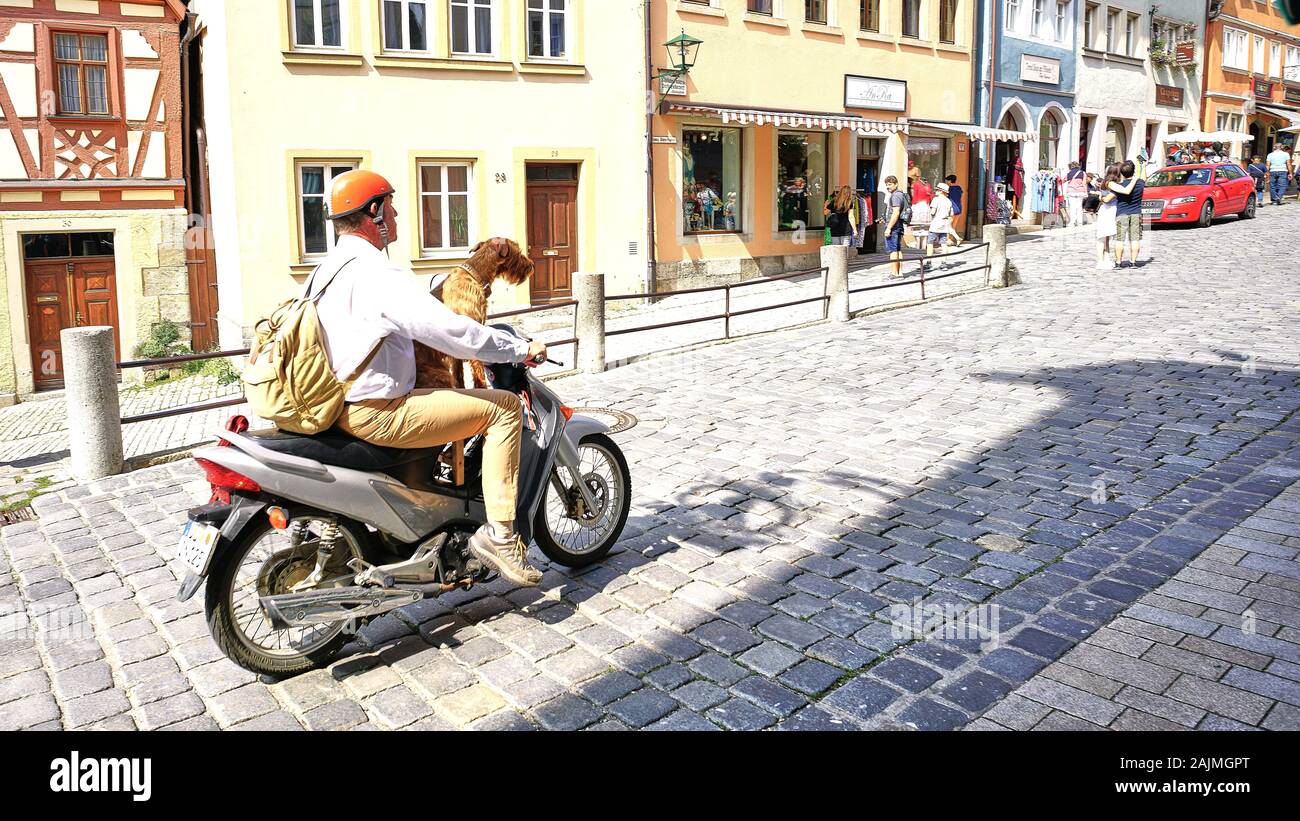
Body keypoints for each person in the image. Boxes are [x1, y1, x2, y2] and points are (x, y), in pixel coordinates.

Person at [311, 170, 548, 587]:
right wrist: (519, 349)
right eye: (392, 205)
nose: (399, 213)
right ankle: (501, 535)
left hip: (337, 404)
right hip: (379, 411)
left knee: (444, 395)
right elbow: (454, 333)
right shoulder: (377, 273)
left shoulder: (326, 270)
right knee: (506, 409)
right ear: (375, 212)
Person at [1109, 160, 1144, 268]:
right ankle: (1133, 262)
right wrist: (1143, 166)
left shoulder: (1119, 185)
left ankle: (1118, 262)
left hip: (1122, 213)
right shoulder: (1140, 183)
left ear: (1121, 172)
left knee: (1120, 239)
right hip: (1136, 213)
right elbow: (1144, 178)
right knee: (1134, 239)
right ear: (1133, 171)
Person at [1093, 164, 1119, 270]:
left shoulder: (1105, 182)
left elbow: (1101, 196)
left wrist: (1101, 198)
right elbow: (1107, 199)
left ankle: (1106, 259)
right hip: (1108, 211)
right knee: (1102, 237)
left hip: (1107, 210)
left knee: (1106, 237)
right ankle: (1100, 261)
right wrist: (1103, 198)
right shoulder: (1111, 184)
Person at [882, 175, 907, 279]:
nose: (888, 187)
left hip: (894, 227)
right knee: (897, 249)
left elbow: (896, 213)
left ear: (896, 184)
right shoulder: (900, 194)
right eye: (887, 185)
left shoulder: (895, 196)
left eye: (890, 184)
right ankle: (899, 272)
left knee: (893, 250)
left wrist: (889, 227)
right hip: (898, 225)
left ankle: (894, 273)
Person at [925, 182, 954, 270]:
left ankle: (929, 263)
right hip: (945, 224)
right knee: (944, 244)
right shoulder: (948, 201)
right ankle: (943, 263)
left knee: (930, 243)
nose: (936, 191)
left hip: (936, 224)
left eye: (937, 190)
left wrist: (931, 214)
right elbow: (951, 213)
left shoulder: (936, 200)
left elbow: (933, 212)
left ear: (941, 191)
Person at [1064, 161, 1088, 227]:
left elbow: (1063, 180)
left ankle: (1072, 222)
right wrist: (1086, 192)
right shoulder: (1083, 173)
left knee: (1072, 207)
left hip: (1071, 192)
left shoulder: (1068, 174)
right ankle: (1079, 222)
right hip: (1080, 192)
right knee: (1079, 207)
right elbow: (1084, 183)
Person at [943, 174, 963, 247]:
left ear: (950, 181)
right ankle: (951, 240)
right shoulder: (959, 188)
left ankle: (950, 240)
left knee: (949, 225)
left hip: (952, 208)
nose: (946, 182)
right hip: (959, 208)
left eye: (947, 180)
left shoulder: (948, 189)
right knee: (953, 226)